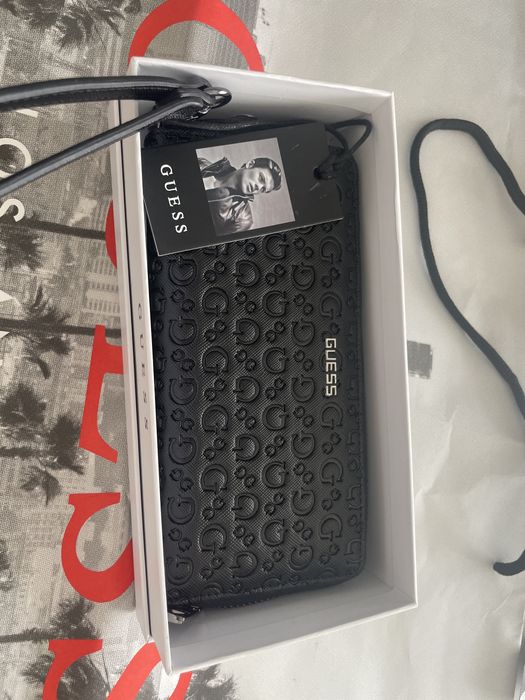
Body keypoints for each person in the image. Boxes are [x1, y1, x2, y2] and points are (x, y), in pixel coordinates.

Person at [198, 155, 282, 235]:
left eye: (263, 189)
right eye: (261, 178)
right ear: (250, 164)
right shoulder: (202, 164)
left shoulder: (243, 219)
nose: (258, 187)